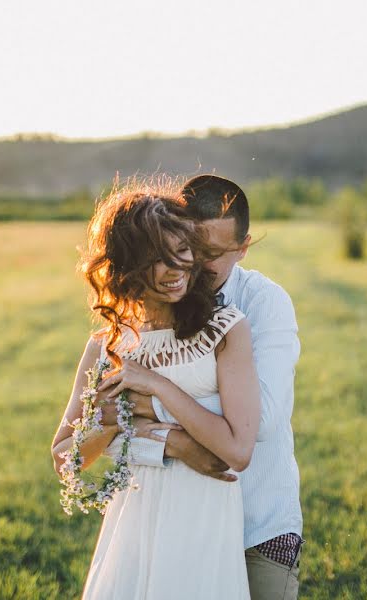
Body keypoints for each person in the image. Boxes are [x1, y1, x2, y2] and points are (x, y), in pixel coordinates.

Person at [50, 181, 259, 599]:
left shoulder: (224, 329)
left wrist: (156, 387)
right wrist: (128, 427)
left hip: (203, 516)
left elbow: (238, 450)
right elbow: (65, 459)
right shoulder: (105, 347)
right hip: (135, 515)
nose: (175, 268)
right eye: (156, 259)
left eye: (182, 251)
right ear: (126, 266)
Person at [102, 175, 305, 600]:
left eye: (213, 253)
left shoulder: (263, 303)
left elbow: (259, 422)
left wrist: (149, 405)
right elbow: (94, 436)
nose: (197, 264)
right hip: (181, 524)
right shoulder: (158, 312)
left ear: (243, 247)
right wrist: (171, 445)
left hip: (257, 524)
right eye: (187, 248)